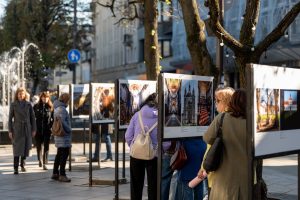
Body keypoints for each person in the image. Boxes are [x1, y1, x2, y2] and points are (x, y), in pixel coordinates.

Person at [202, 89, 248, 200]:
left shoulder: (222, 118)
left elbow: (207, 138)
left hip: (224, 177)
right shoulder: (251, 122)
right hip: (245, 177)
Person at [198, 86, 235, 198]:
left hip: (218, 172)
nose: (215, 103)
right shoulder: (241, 118)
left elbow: (210, 147)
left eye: (218, 101)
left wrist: (203, 168)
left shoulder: (220, 119)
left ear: (226, 102)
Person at [125, 93, 158, 200]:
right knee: (153, 184)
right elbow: (166, 141)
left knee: (136, 184)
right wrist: (159, 150)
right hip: (154, 155)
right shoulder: (161, 117)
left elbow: (128, 135)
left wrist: (134, 145)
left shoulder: (137, 115)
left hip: (136, 154)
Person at [8, 87, 37, 174]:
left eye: (22, 94)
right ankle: (15, 168)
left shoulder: (28, 104)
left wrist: (34, 129)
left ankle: (23, 165)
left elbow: (33, 118)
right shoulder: (13, 104)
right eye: (19, 94)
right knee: (17, 149)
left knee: (25, 148)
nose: (21, 95)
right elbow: (10, 119)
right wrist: (10, 130)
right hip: (17, 129)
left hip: (27, 128)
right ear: (17, 95)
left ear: (25, 95)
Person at [51, 93, 72, 182]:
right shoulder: (62, 109)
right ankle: (62, 174)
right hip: (63, 135)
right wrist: (69, 129)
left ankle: (55, 173)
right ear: (66, 100)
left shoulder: (56, 108)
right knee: (64, 154)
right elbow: (63, 123)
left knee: (59, 153)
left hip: (58, 135)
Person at [33, 91, 54, 170]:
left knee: (46, 146)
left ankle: (45, 163)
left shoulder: (50, 107)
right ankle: (40, 160)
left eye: (46, 97)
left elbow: (53, 118)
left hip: (47, 130)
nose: (45, 98)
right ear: (41, 98)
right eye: (43, 97)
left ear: (48, 98)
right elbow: (32, 118)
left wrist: (50, 126)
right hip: (38, 130)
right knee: (38, 146)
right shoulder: (36, 106)